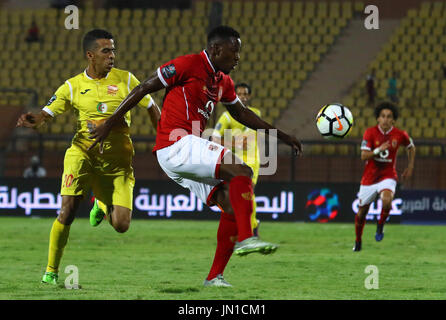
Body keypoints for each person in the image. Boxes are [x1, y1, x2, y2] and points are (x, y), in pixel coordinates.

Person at [88, 25, 302, 287]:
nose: (237, 58)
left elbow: (242, 114)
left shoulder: (224, 81)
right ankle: (248, 238)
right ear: (216, 49)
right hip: (176, 143)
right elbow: (144, 88)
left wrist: (281, 135)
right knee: (242, 171)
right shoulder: (188, 64)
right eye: (234, 52)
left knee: (231, 204)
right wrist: (109, 123)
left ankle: (214, 278)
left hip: (183, 153)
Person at [16, 29, 161, 284]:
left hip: (118, 163)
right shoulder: (72, 86)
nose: (112, 56)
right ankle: (51, 270)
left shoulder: (126, 79)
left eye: (113, 50)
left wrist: (163, 138)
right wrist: (36, 119)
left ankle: (101, 203)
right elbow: (47, 113)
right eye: (106, 51)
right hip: (82, 155)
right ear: (90, 55)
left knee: (121, 225)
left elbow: (151, 106)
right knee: (67, 212)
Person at [353, 102, 415, 252]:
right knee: (361, 213)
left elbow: (411, 147)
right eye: (383, 116)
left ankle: (380, 225)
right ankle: (358, 240)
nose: (385, 119)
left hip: (388, 175)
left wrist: (410, 166)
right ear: (378, 119)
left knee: (387, 201)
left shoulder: (400, 135)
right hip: (369, 177)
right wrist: (378, 150)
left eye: (389, 117)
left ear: (393, 120)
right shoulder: (370, 132)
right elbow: (363, 156)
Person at [211, 82, 261, 237]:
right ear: (234, 95)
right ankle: (249, 228)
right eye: (239, 94)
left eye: (245, 94)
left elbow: (246, 142)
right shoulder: (226, 116)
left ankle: (250, 231)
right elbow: (214, 138)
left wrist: (232, 142)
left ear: (249, 96)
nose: (242, 97)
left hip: (252, 162)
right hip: (234, 163)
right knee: (238, 197)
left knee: (247, 194)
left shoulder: (255, 113)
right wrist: (234, 143)